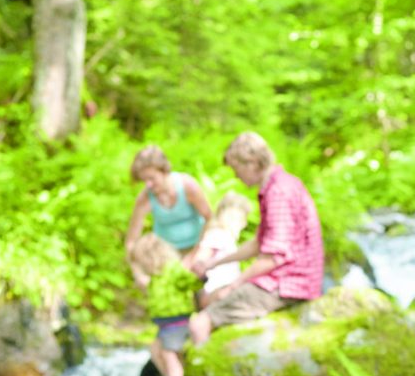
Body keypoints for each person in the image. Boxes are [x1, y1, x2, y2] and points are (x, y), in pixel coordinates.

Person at [190, 131, 324, 344]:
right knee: (211, 297)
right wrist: (213, 263)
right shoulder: (278, 185)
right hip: (289, 280)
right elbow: (259, 244)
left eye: (236, 169)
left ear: (252, 162)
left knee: (199, 322)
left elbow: (274, 257)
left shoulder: (278, 192)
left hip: (288, 284)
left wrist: (234, 286)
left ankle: (195, 371)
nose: (236, 176)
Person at [129, 233, 204, 376]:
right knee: (156, 349)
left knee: (169, 353)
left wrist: (200, 276)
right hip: (164, 324)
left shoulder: (173, 270)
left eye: (143, 263)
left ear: (152, 257)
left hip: (177, 321)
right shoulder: (156, 277)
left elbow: (192, 282)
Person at [124, 145, 212, 289]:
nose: (148, 184)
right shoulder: (145, 198)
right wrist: (137, 273)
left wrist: (194, 255)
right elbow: (131, 241)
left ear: (163, 171)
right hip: (167, 255)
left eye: (152, 178)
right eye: (144, 180)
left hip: (198, 247)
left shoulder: (188, 187)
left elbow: (210, 218)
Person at [194, 191, 253, 307]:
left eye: (239, 219)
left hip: (225, 287)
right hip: (215, 290)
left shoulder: (227, 238)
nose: (235, 223)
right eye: (231, 218)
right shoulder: (217, 235)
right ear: (220, 216)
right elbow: (200, 258)